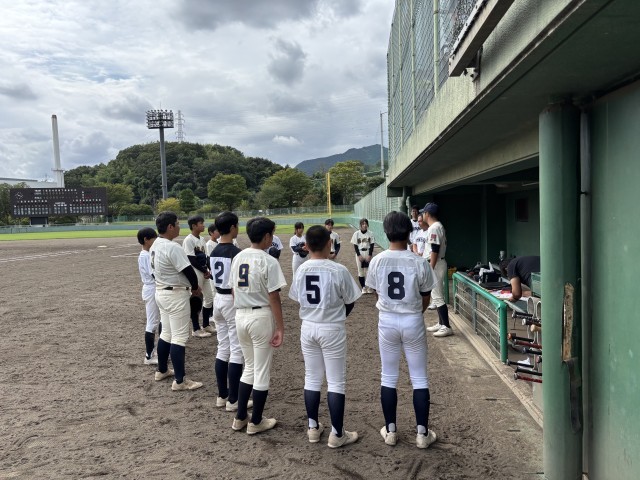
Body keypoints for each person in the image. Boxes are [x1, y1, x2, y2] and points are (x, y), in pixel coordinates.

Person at [365, 211, 438, 449]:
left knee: (388, 376)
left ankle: (391, 431)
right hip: (412, 319)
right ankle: (422, 434)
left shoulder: (377, 260)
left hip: (387, 320)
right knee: (419, 377)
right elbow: (426, 297)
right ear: (409, 233)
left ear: (386, 232)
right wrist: (416, 312)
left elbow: (376, 293)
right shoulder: (419, 261)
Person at [288, 225, 362, 448]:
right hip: (332, 327)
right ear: (329, 243)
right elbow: (350, 300)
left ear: (306, 246)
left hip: (308, 327)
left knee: (312, 378)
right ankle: (337, 434)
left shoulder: (301, 269)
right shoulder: (338, 269)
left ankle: (313, 427)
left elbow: (298, 299)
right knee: (336, 382)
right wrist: (338, 315)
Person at [230, 217, 287, 435]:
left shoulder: (238, 257)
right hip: (260, 315)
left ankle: (240, 417)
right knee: (261, 371)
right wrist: (280, 327)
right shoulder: (268, 260)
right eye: (271, 234)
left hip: (240, 314)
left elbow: (233, 290)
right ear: (266, 236)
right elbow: (274, 296)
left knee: (250, 367)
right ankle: (256, 421)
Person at [150, 211, 204, 391]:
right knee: (179, 337)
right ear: (170, 226)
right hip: (175, 294)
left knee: (166, 333)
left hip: (161, 292)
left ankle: (162, 370)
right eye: (177, 223)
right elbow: (188, 271)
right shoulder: (173, 247)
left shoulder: (156, 244)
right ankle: (180, 381)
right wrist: (195, 287)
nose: (179, 227)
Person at [421, 203, 453, 337]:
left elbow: (434, 250)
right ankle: (441, 323)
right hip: (438, 263)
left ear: (427, 214)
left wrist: (430, 268)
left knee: (438, 296)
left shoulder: (434, 227)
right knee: (436, 295)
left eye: (424, 212)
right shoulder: (437, 226)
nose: (422, 214)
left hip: (436, 263)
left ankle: (446, 326)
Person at [183, 215, 213, 338]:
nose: (203, 225)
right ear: (194, 226)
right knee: (196, 300)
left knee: (209, 297)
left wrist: (209, 270)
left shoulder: (202, 239)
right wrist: (204, 270)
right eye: (201, 223)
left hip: (204, 271)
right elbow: (191, 259)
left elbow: (206, 257)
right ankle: (195, 328)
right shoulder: (189, 240)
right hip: (195, 272)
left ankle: (206, 324)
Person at [137, 227, 160, 365]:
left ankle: (156, 351)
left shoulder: (147, 253)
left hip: (153, 288)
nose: (155, 241)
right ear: (146, 240)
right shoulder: (145, 255)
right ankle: (149, 356)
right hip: (151, 289)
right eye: (153, 239)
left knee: (158, 321)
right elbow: (154, 274)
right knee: (152, 323)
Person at [350, 218, 375, 294]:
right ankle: (363, 288)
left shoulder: (370, 233)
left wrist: (370, 255)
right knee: (360, 271)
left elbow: (372, 245)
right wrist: (358, 255)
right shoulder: (356, 234)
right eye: (363, 224)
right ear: (360, 225)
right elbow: (355, 245)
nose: (364, 225)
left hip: (368, 252)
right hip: (360, 252)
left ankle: (369, 287)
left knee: (368, 271)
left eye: (366, 223)